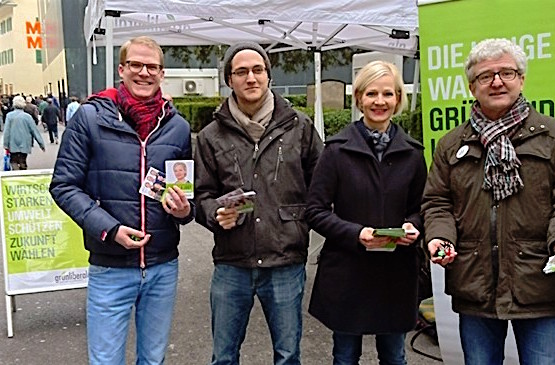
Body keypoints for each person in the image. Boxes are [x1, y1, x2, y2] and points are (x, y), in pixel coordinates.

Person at [421, 38, 555, 365]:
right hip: (475, 284)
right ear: (472, 86)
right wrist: (440, 236)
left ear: (521, 79)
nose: (497, 81)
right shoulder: (450, 144)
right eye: (486, 76)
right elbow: (437, 201)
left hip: (537, 279)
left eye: (507, 73)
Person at [49, 36, 195, 365]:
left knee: (153, 360)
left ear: (162, 73)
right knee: (105, 361)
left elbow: (186, 195)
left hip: (162, 266)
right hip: (110, 266)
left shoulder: (177, 127)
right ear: (121, 69)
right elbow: (63, 185)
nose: (144, 72)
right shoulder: (89, 118)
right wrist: (110, 229)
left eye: (152, 66)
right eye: (136, 65)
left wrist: (185, 211)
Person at [194, 41, 323, 365]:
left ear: (268, 76)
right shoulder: (210, 136)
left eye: (257, 70)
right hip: (231, 261)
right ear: (229, 80)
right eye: (241, 72)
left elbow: (321, 189)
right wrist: (214, 213)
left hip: (285, 260)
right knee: (223, 357)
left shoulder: (299, 127)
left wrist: (299, 222)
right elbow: (201, 195)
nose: (250, 78)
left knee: (288, 355)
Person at [305, 60, 427, 364]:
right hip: (349, 272)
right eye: (372, 93)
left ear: (399, 98)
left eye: (388, 93)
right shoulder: (336, 151)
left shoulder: (413, 154)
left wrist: (412, 227)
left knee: (394, 356)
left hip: (396, 274)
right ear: (358, 98)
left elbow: (422, 209)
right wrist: (356, 234)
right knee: (345, 357)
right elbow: (315, 210)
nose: (380, 101)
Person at [3, 95, 45, 170]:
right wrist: (41, 144)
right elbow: (34, 131)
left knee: (13, 160)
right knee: (23, 160)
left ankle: (16, 172)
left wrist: (5, 144)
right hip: (25, 143)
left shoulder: (9, 116)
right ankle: (22, 169)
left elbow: (6, 131)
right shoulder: (27, 117)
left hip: (12, 143)